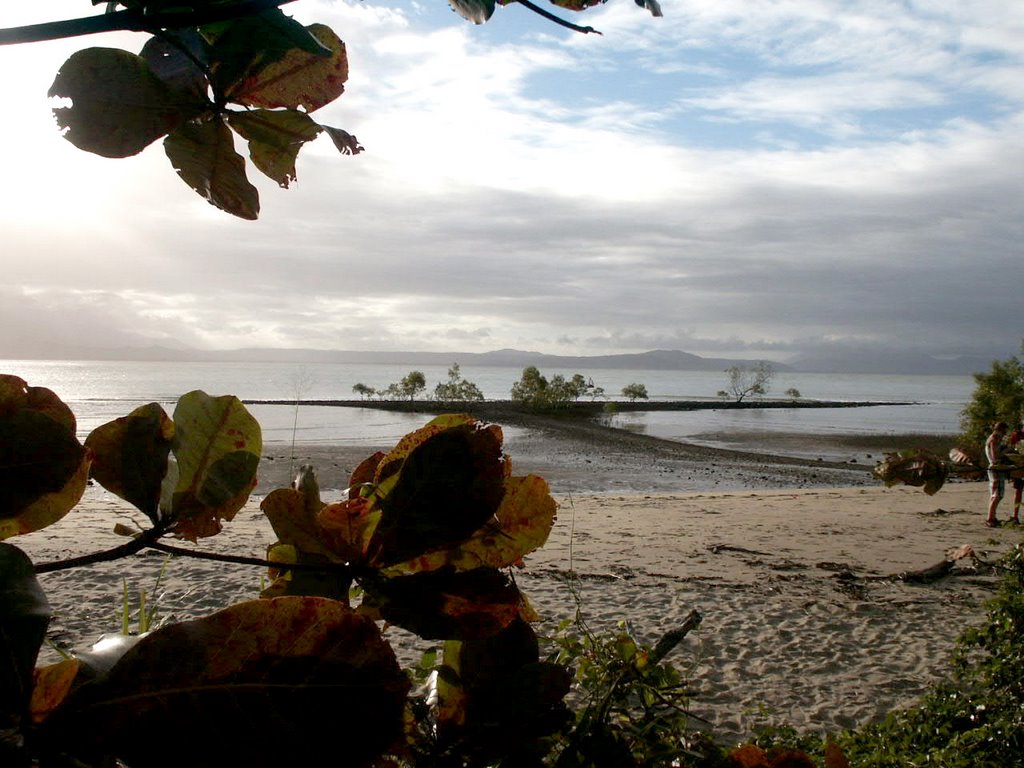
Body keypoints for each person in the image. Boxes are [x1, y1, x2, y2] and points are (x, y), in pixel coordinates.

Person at [985, 421, 1010, 527]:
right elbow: (995, 457)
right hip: (995, 468)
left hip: (995, 468)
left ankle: (992, 517)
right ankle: (990, 518)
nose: (1005, 433)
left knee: (995, 494)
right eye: (1004, 431)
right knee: (997, 495)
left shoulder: (995, 438)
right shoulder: (994, 439)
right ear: (1000, 430)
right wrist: (1005, 453)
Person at [1009, 422, 1024, 524]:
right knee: (1018, 491)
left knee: (1018, 491)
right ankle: (1015, 516)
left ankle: (1016, 516)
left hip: (1019, 466)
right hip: (1019, 467)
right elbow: (1012, 449)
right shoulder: (1017, 435)